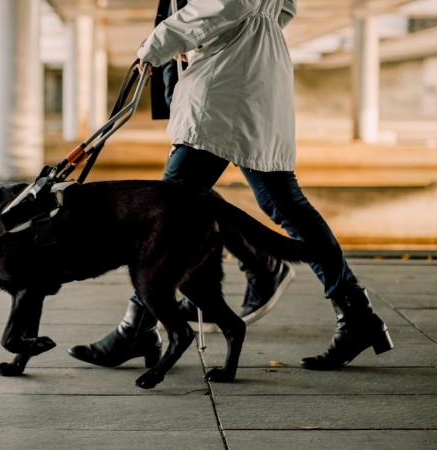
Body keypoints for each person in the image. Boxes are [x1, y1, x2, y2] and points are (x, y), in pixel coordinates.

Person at [68, 0, 394, 371]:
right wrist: (228, 36)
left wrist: (160, 42)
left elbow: (229, 3)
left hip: (226, 86)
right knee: (281, 203)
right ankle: (353, 314)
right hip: (244, 74)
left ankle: (139, 328)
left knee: (169, 209)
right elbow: (281, 8)